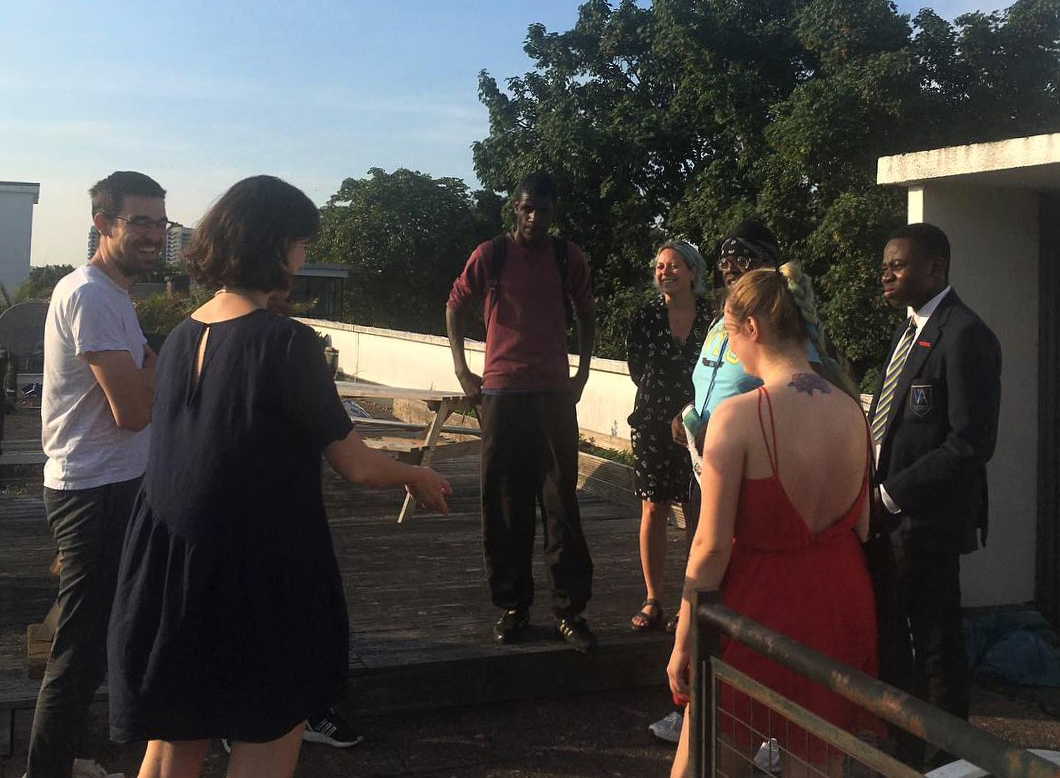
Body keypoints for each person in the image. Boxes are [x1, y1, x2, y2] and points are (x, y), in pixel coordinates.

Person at [106, 175, 452, 778]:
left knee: (171, 745)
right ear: (276, 245)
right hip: (257, 571)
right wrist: (413, 475)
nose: (303, 257)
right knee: (265, 733)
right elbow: (354, 462)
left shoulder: (182, 335)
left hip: (167, 568)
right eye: (300, 243)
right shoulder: (286, 343)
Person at [667, 265, 879, 778]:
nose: (729, 349)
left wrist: (683, 642)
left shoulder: (737, 417)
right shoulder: (852, 407)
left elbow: (710, 548)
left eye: (727, 333)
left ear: (753, 329)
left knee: (709, 760)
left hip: (756, 609)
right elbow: (864, 527)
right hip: (838, 608)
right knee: (818, 761)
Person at [27, 171, 165, 778]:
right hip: (95, 490)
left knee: (103, 631)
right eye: (140, 222)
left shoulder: (114, 294)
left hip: (113, 483)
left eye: (162, 224)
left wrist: (160, 370)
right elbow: (134, 410)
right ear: (102, 223)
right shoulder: (90, 293)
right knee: (80, 650)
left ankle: (65, 758)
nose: (154, 235)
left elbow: (148, 369)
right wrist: (174, 371)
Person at [445, 171, 598, 652]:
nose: (535, 218)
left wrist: (583, 372)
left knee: (559, 503)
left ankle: (569, 611)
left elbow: (587, 311)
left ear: (553, 213)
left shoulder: (565, 255)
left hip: (553, 395)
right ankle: (514, 607)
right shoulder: (491, 254)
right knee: (505, 503)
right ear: (515, 207)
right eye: (528, 208)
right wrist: (463, 371)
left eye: (544, 210)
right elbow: (454, 306)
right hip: (502, 394)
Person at [869, 223, 1001, 769]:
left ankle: (950, 761)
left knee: (937, 648)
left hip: (928, 523)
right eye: (884, 266)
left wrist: (892, 495)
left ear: (935, 269)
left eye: (897, 265)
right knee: (894, 647)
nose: (885, 274)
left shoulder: (965, 333)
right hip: (887, 523)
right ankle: (904, 751)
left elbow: (971, 443)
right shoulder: (908, 332)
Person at [625, 241, 710, 631]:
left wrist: (687, 414)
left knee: (697, 511)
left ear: (693, 272)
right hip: (652, 424)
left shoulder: (713, 317)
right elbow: (638, 369)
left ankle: (690, 600)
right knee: (653, 508)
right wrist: (665, 412)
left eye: (674, 266)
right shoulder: (644, 317)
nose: (665, 272)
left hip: (701, 426)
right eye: (660, 266)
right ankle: (653, 597)